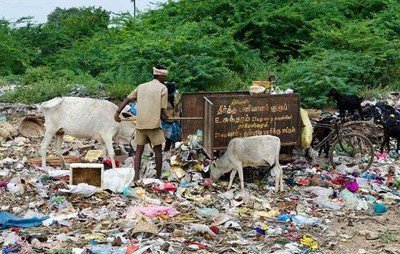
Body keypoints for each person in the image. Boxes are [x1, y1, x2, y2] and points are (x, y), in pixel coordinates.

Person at [114, 66, 169, 181]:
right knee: (158, 150)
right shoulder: (162, 88)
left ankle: (136, 176)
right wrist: (167, 118)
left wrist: (118, 112)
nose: (165, 78)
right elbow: (163, 109)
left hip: (140, 124)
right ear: (159, 76)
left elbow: (127, 99)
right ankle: (158, 177)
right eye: (164, 76)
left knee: (139, 150)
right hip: (154, 125)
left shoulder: (141, 86)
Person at [162, 81, 182, 152]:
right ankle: (169, 149)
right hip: (167, 120)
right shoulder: (164, 96)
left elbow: (178, 108)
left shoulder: (176, 95)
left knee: (175, 138)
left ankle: (173, 150)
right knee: (168, 138)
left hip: (174, 120)